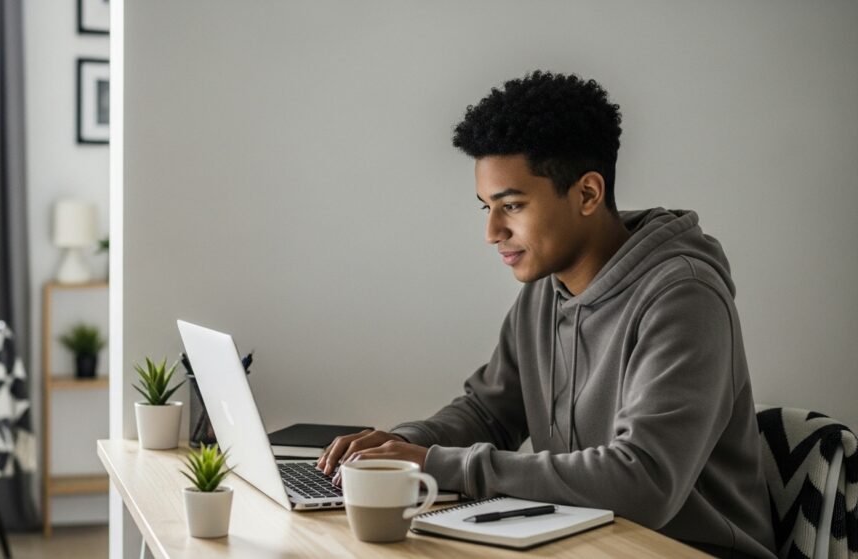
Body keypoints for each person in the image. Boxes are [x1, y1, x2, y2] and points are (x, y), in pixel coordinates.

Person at [316, 71, 776, 558]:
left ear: (587, 194)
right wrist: (397, 449)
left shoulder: (684, 297)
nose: (493, 232)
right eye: (485, 208)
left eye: (511, 205)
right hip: (583, 541)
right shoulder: (545, 290)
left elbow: (643, 482)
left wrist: (437, 463)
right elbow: (489, 412)